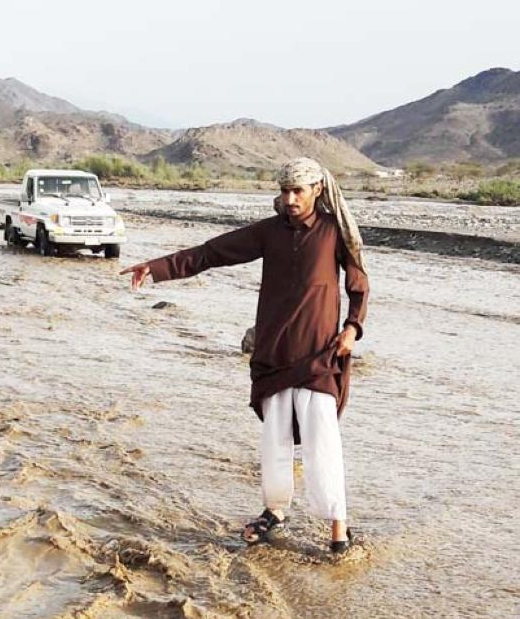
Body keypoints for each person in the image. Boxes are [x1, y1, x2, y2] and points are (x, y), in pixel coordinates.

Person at [121, 157, 369, 554]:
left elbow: (359, 284)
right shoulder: (269, 233)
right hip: (273, 354)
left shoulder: (334, 233)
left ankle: (339, 528)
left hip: (319, 355)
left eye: (298, 191)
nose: (289, 199)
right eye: (285, 191)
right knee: (275, 440)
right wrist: (156, 267)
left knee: (324, 439)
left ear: (317, 190)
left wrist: (353, 328)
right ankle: (275, 512)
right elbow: (211, 253)